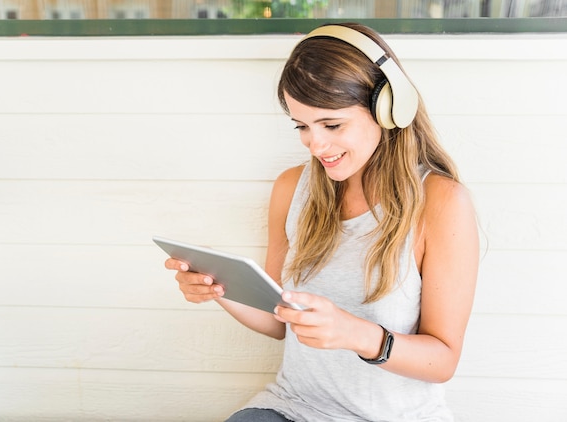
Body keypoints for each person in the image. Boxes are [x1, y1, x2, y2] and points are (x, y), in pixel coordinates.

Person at [164, 22, 479, 422]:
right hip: (293, 408)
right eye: (302, 126)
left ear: (388, 108)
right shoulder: (292, 188)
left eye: (332, 125)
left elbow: (443, 360)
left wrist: (355, 334)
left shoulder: (442, 202)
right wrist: (218, 288)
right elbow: (278, 321)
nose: (316, 145)